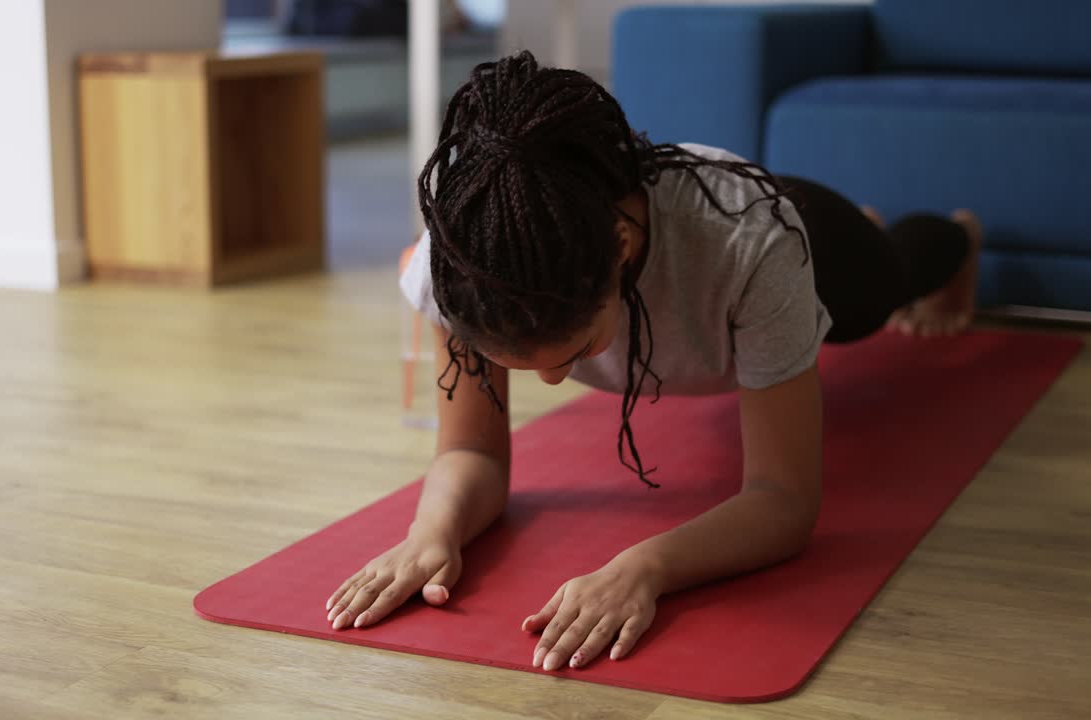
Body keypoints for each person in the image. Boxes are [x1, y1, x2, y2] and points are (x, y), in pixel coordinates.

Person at [325, 51, 980, 672]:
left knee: (891, 276)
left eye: (574, 352)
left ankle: (959, 234)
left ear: (619, 248)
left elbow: (783, 500)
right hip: (734, 275)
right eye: (522, 363)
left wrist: (645, 567)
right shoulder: (470, 262)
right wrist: (432, 533)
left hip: (811, 243)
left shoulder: (749, 240)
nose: (552, 380)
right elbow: (475, 454)